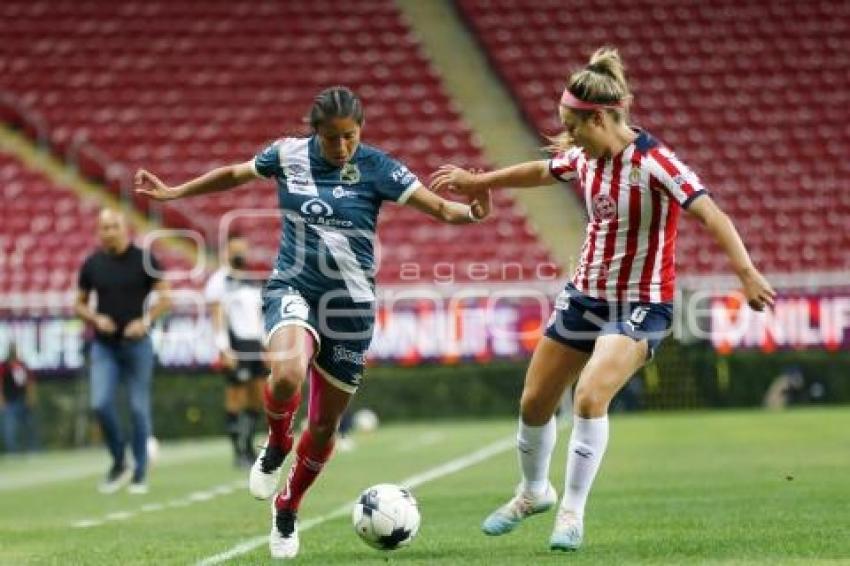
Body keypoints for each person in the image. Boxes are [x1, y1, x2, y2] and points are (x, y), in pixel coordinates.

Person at [430, 47, 775, 551]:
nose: (569, 138)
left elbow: (712, 215)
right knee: (533, 402)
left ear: (601, 117)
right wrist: (481, 181)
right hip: (584, 296)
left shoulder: (656, 163)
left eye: (575, 126)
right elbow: (541, 171)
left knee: (590, 395)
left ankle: (571, 512)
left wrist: (744, 272)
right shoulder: (585, 157)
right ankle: (532, 492)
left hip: (641, 303)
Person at [135, 85, 492, 560]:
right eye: (332, 138)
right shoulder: (287, 154)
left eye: (350, 136)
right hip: (294, 287)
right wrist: (177, 190)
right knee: (285, 374)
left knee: (324, 425)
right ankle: (278, 442)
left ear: (360, 130)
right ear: (315, 132)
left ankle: (287, 508)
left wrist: (476, 210)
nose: (342, 146)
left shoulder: (379, 167)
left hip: (351, 309)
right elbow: (234, 174)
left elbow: (443, 208)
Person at [74, 208, 171, 494]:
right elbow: (78, 304)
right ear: (98, 232)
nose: (109, 232)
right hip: (104, 346)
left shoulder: (144, 259)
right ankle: (120, 461)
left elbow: (166, 296)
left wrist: (145, 321)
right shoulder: (92, 264)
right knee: (100, 404)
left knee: (139, 409)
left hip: (138, 345)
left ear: (125, 228)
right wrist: (94, 318)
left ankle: (140, 473)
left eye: (114, 226)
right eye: (103, 227)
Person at [204, 233, 266, 468]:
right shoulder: (219, 281)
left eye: (243, 249)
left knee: (257, 397)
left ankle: (248, 446)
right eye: (235, 249)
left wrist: (265, 345)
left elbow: (258, 317)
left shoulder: (251, 280)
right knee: (236, 397)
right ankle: (237, 452)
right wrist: (224, 348)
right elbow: (217, 317)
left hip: (254, 346)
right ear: (225, 252)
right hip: (235, 345)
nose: (240, 253)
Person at [0, 343, 38, 453]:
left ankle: (33, 450)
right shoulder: (4, 366)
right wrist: (1, 400)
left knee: (30, 426)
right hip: (9, 401)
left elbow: (30, 383)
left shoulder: (22, 365)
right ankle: (13, 452)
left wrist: (31, 397)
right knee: (9, 429)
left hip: (23, 400)